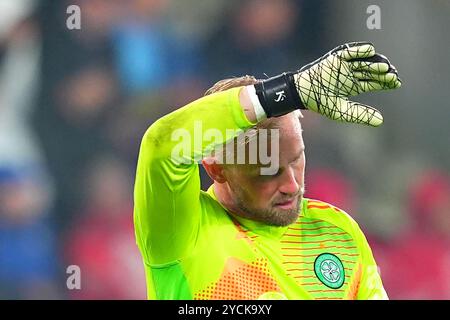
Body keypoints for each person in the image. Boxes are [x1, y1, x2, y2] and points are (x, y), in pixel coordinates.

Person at [133, 42, 402, 299]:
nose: (292, 185)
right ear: (216, 168)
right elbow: (162, 145)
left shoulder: (337, 231)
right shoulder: (181, 232)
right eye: (268, 172)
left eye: (296, 159)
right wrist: (288, 91)